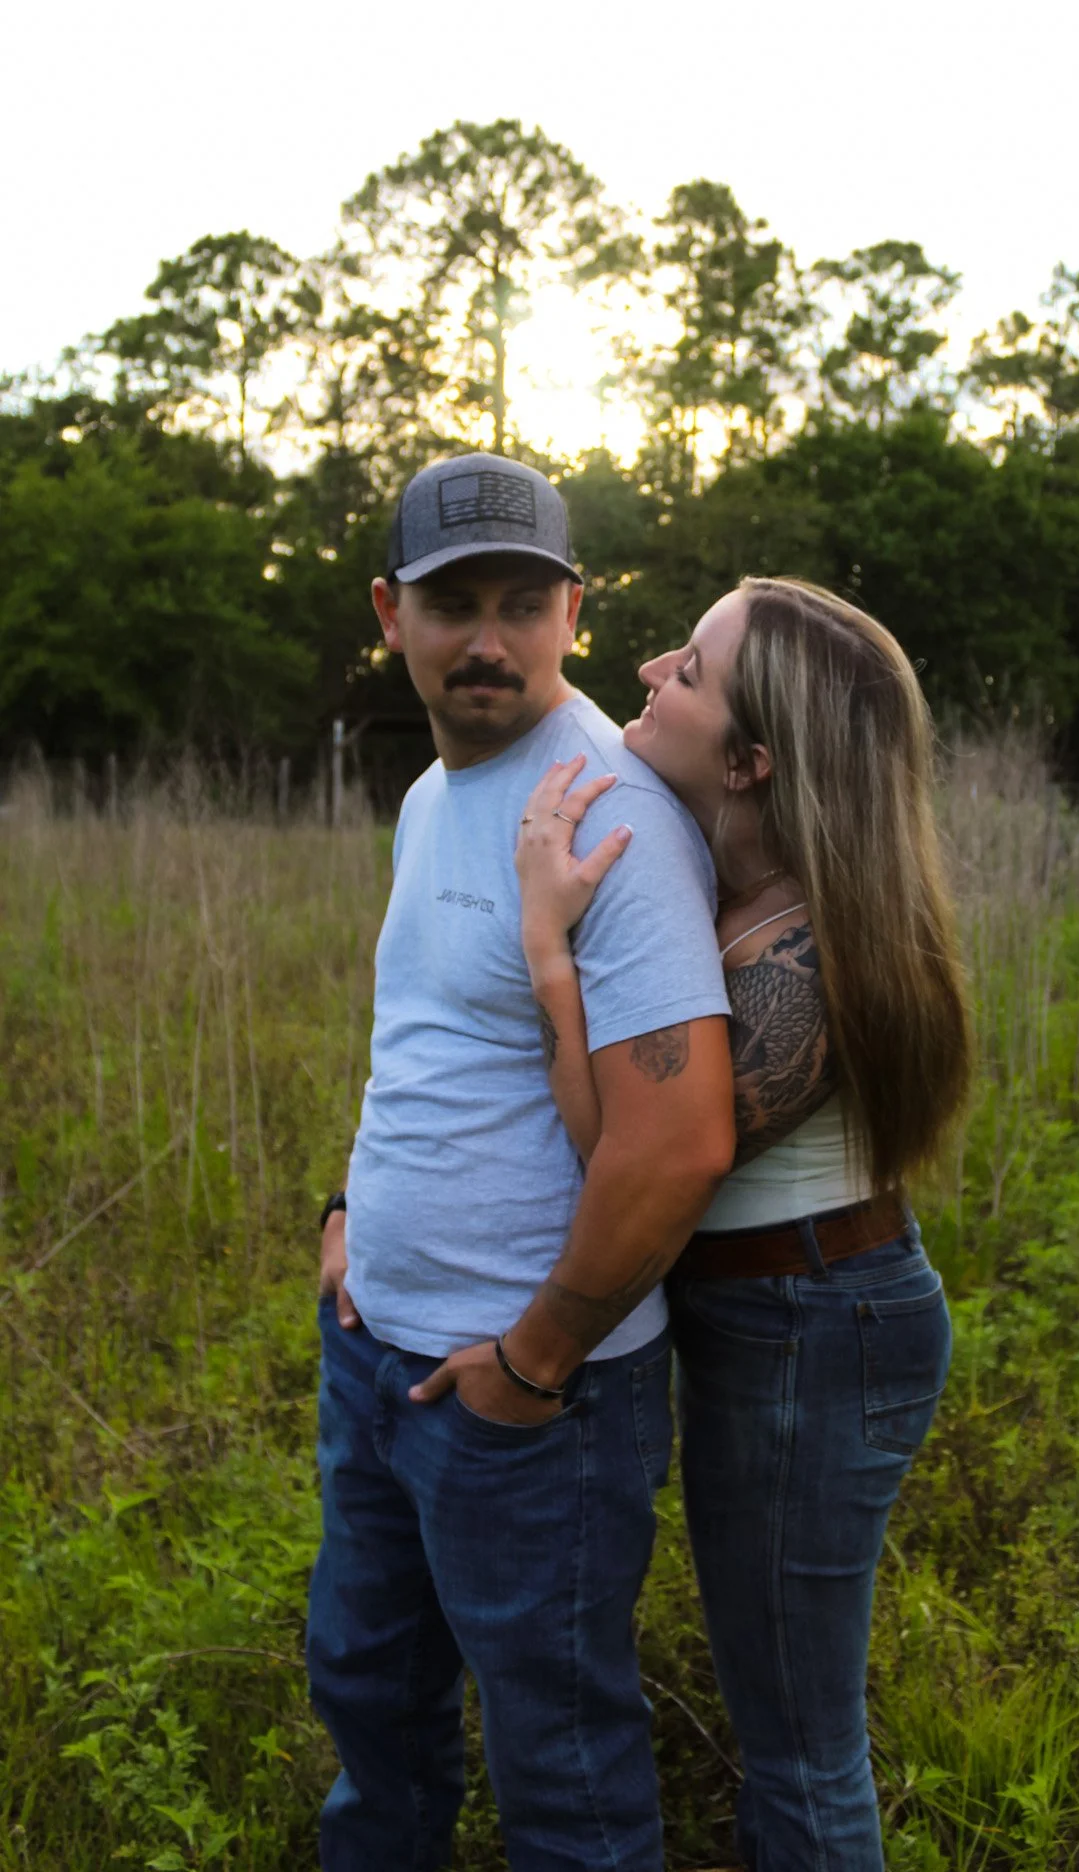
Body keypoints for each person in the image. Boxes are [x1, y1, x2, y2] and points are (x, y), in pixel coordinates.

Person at [306, 451, 736, 1872]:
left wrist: (532, 1365)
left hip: (530, 1401)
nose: (485, 638)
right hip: (377, 1357)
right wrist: (347, 1213)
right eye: (450, 605)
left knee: (560, 1766)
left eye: (519, 601)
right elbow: (431, 1043)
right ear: (391, 615)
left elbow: (677, 1146)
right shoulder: (441, 792)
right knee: (370, 1699)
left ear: (573, 611)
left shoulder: (608, 813)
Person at [516, 576, 971, 1872]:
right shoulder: (750, 903)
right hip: (791, 1319)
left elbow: (624, 1148)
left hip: (810, 1332)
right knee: (780, 1719)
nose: (652, 669)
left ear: (755, 761)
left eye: (693, 672)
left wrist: (551, 949)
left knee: (800, 1746)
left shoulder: (798, 964)